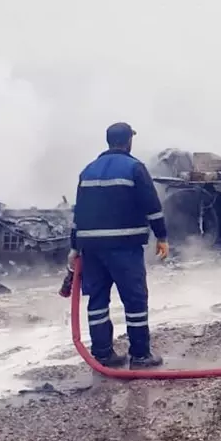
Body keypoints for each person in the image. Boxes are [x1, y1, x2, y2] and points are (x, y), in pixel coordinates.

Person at [69, 122, 169, 368]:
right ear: (128, 141)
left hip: (91, 249)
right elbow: (153, 207)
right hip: (124, 247)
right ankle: (140, 355)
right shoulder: (134, 168)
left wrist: (74, 247)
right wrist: (162, 237)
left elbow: (78, 213)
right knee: (134, 299)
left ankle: (103, 355)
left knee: (98, 300)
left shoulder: (88, 170)